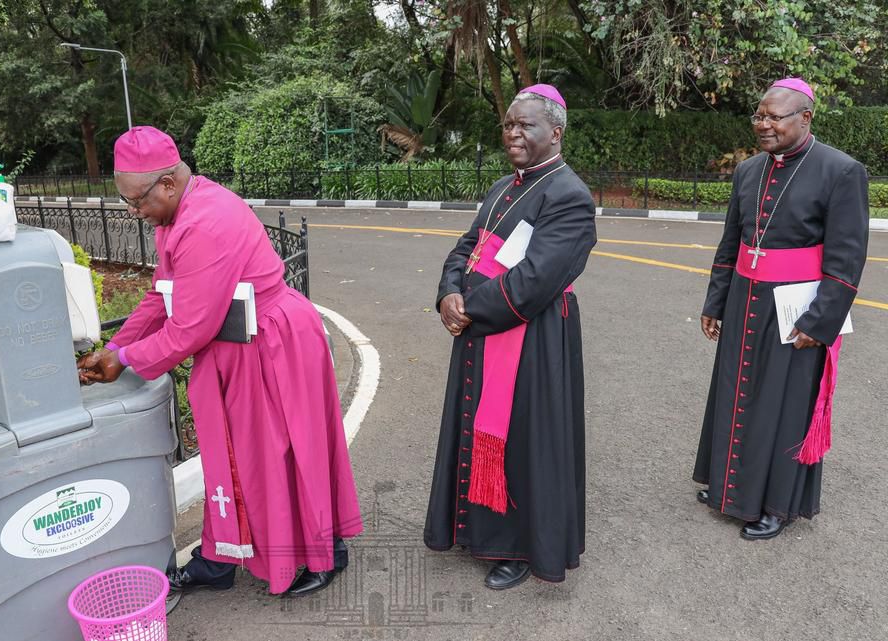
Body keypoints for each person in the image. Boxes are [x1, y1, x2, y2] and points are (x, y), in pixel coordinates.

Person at [77, 126, 362, 596]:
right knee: (232, 457)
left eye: (136, 201)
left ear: (167, 183)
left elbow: (189, 329)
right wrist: (115, 348)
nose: (133, 212)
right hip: (236, 346)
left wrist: (124, 358)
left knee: (291, 449)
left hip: (271, 344)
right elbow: (161, 295)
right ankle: (219, 557)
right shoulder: (176, 214)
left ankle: (324, 550)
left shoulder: (203, 222)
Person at [424, 85, 597, 589]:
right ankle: (475, 529)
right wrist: (447, 293)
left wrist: (468, 309)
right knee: (476, 425)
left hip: (532, 338)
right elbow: (467, 247)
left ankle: (519, 547)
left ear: (555, 133)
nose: (514, 133)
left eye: (526, 125)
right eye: (509, 125)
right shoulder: (503, 186)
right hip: (482, 328)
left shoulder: (569, 195)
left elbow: (536, 280)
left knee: (524, 440)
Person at [695, 78, 869, 540]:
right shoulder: (748, 170)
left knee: (782, 404)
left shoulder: (841, 170)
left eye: (775, 117)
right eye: (759, 116)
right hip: (744, 298)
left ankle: (776, 504)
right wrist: (716, 301)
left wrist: (821, 321)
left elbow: (847, 257)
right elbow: (731, 242)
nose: (764, 125)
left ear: (805, 117)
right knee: (734, 393)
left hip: (796, 309)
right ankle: (727, 488)